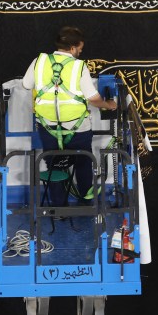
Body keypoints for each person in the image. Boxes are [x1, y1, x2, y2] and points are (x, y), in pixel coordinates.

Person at [22, 26, 117, 206]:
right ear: (72, 48)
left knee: (53, 164)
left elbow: (27, 85)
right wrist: (109, 104)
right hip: (78, 127)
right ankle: (86, 198)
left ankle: (59, 207)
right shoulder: (79, 67)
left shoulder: (39, 61)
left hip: (47, 125)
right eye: (80, 49)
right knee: (83, 160)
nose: (80, 52)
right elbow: (93, 98)